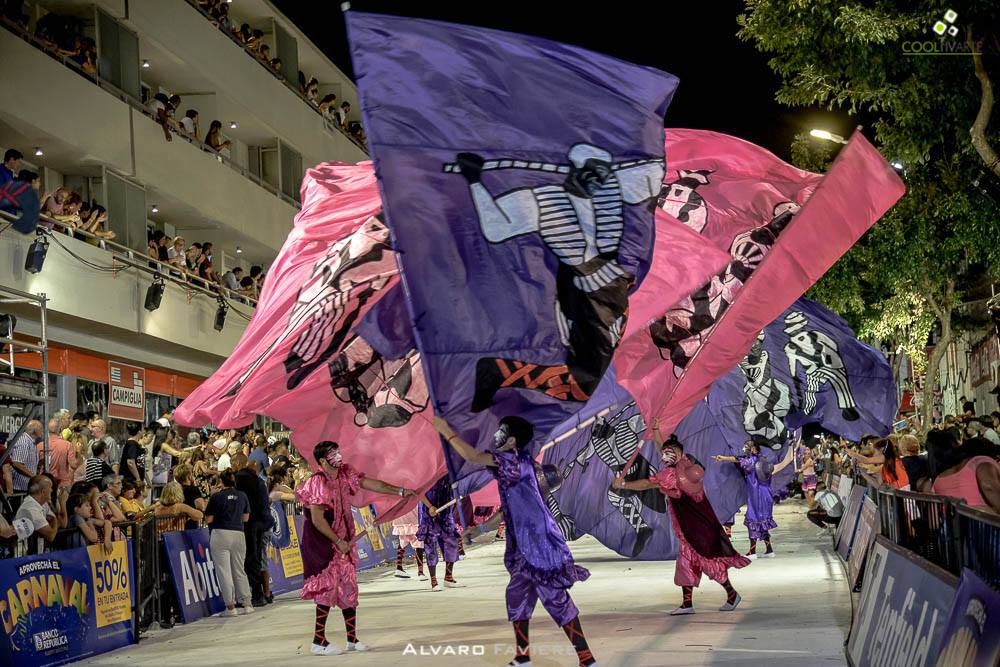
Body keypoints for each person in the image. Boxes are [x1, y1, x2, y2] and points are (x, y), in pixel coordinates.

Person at [434, 416, 596, 667]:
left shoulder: (512, 461)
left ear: (511, 441)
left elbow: (473, 456)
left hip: (539, 545)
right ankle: (522, 657)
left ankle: (587, 659)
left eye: (501, 431)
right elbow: (508, 510)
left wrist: (445, 430)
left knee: (555, 598)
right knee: (517, 596)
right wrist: (480, 530)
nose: (495, 435)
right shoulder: (518, 464)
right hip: (522, 547)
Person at [614, 422, 749, 617]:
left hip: (694, 529)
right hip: (695, 526)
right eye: (665, 453)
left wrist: (623, 484)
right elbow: (664, 449)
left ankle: (731, 594)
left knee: (706, 561)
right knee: (687, 562)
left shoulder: (671, 474)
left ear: (678, 453)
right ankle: (689, 604)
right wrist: (656, 430)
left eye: (669, 453)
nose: (664, 455)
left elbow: (646, 484)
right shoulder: (686, 462)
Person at [296, 441, 415, 656]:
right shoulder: (317, 482)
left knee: (349, 588)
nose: (339, 456)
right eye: (333, 454)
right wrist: (337, 540)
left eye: (338, 452)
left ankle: (352, 639)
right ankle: (318, 641)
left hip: (344, 544)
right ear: (323, 460)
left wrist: (399, 491)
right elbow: (317, 519)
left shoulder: (344, 474)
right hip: (325, 545)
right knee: (327, 589)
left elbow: (371, 484)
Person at [713, 441, 794, 558]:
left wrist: (723, 458)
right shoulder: (764, 459)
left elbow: (738, 459)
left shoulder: (751, 461)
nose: (745, 447)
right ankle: (769, 550)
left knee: (753, 520)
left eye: (748, 445)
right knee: (762, 522)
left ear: (754, 449)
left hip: (757, 495)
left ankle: (752, 552)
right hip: (766, 495)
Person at [205, 470, 254, 617]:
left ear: (221, 481)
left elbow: (208, 519)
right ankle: (247, 604)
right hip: (238, 533)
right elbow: (246, 518)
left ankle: (231, 607)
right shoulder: (243, 495)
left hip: (221, 533)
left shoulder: (216, 497)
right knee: (239, 570)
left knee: (224, 571)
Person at [234, 456, 274, 606]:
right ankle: (261, 594)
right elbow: (264, 504)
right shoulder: (259, 482)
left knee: (248, 559)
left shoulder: (240, 480)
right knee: (257, 559)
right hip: (260, 523)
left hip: (247, 523)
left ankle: (253, 594)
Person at [416, 475, 464, 591]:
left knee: (451, 543)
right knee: (430, 546)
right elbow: (418, 492)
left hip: (446, 514)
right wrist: (429, 506)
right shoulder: (425, 472)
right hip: (429, 514)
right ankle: (434, 581)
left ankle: (448, 577)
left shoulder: (449, 471)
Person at [928, 437, 1000, 512]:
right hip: (978, 517)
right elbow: (989, 486)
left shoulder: (940, 477)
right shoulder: (981, 460)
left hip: (950, 518)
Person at [14, 475, 63, 554]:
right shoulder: (31, 509)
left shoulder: (42, 504)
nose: (52, 490)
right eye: (50, 488)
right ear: (43, 492)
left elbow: (62, 523)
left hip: (37, 552)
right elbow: (51, 536)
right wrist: (54, 520)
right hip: (26, 555)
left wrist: (53, 521)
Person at [39, 418, 80, 489]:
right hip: (62, 485)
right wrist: (78, 452)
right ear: (60, 429)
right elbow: (73, 465)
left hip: (44, 484)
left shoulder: (39, 446)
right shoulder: (67, 445)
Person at [8, 420, 42, 493]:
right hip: (18, 487)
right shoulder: (24, 441)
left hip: (25, 486)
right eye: (41, 429)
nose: (42, 432)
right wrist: (33, 477)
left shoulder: (31, 442)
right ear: (35, 431)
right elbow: (16, 463)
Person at [391, 507, 425, 580]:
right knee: (418, 543)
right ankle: (420, 572)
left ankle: (399, 568)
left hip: (400, 517)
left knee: (402, 541)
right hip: (413, 517)